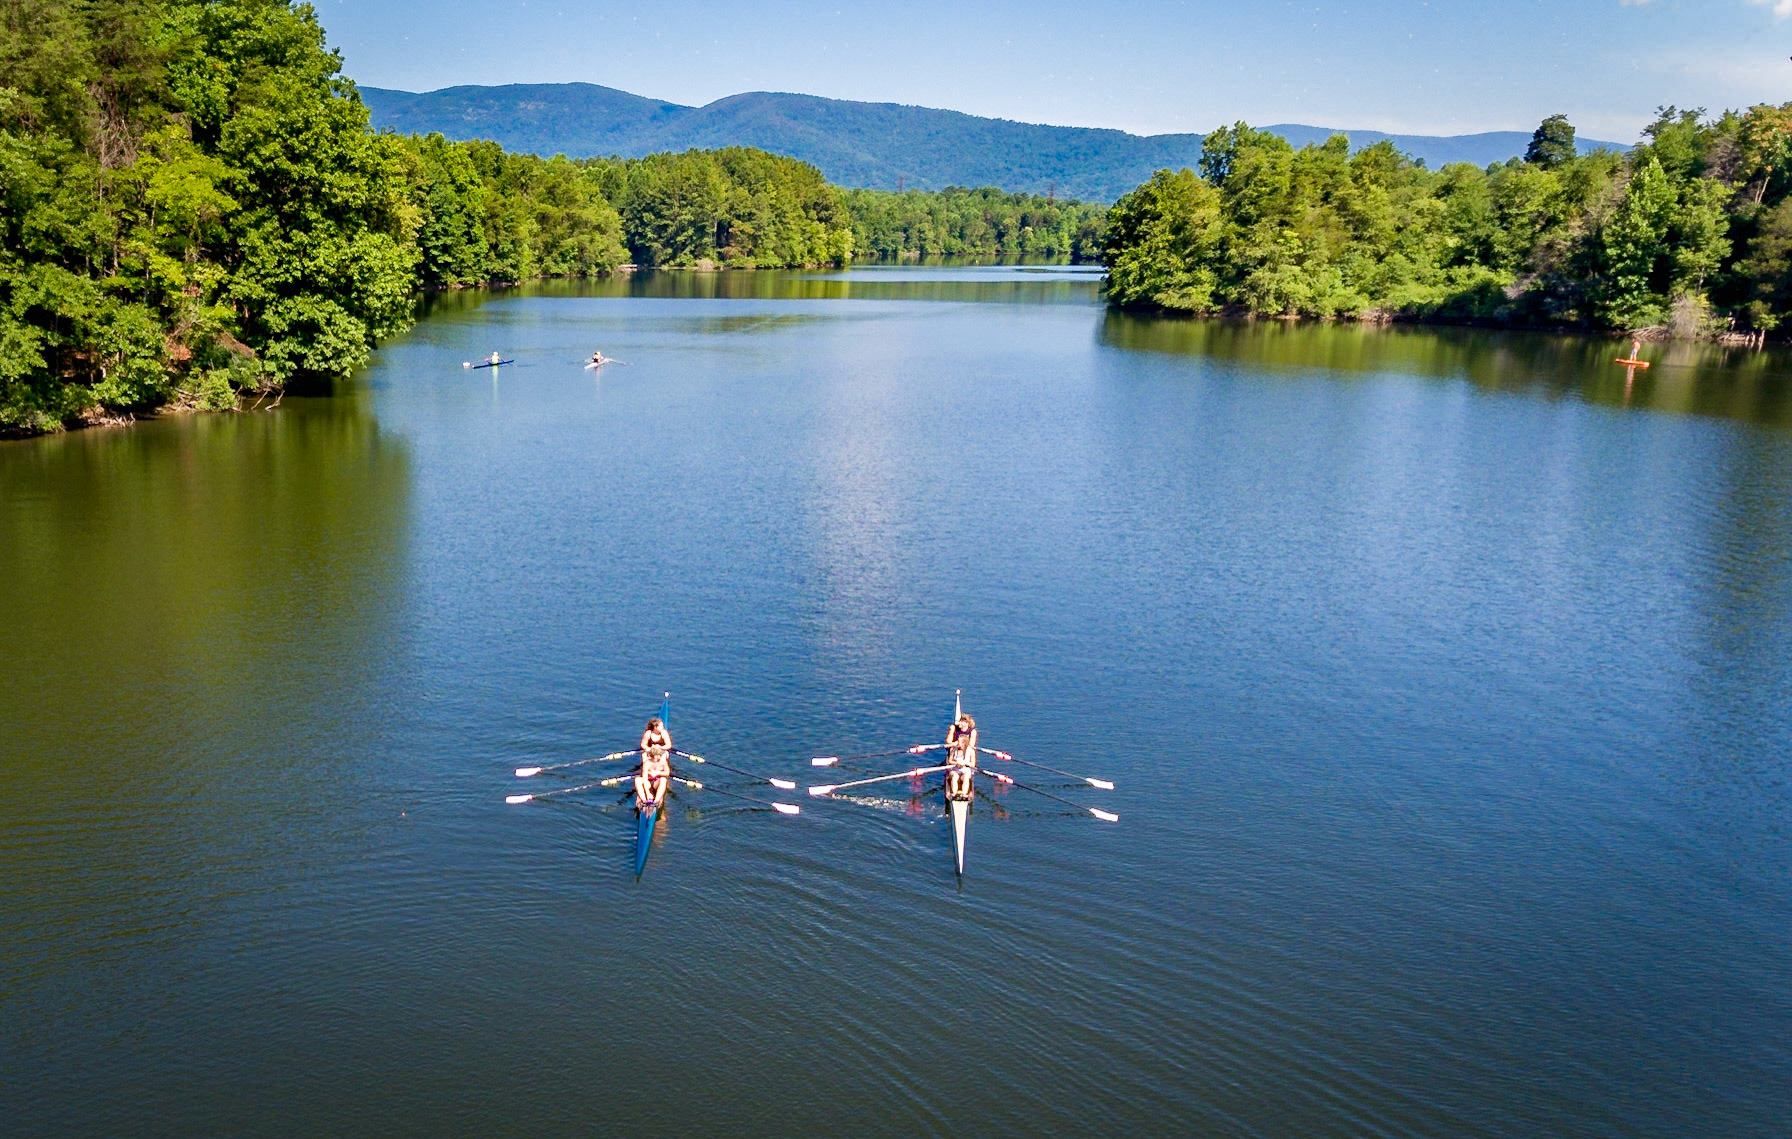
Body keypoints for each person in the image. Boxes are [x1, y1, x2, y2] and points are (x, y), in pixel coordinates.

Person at [635, 717, 673, 808]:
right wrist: (650, 749)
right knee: (637, 779)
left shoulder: (664, 733)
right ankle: (644, 800)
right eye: (661, 726)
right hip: (650, 754)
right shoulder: (648, 733)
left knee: (663, 779)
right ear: (655, 727)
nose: (663, 728)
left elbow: (669, 745)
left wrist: (659, 749)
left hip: (660, 751)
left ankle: (656, 802)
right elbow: (643, 745)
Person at [944, 712, 977, 801]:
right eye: (960, 721)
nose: (960, 723)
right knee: (954, 777)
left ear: (968, 723)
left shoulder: (970, 750)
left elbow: (973, 764)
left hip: (965, 768)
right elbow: (950, 759)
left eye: (963, 721)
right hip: (955, 768)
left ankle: (964, 795)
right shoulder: (954, 748)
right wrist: (956, 763)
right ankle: (954, 795)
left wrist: (965, 763)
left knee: (966, 777)